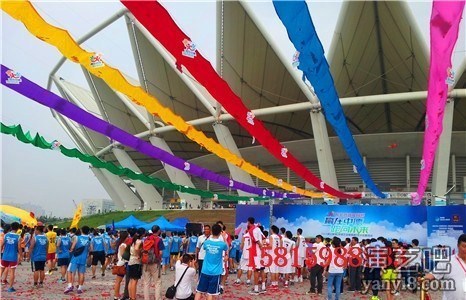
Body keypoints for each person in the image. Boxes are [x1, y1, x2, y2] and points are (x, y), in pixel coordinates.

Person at [422, 233, 466, 300]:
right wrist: (422, 279)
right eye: (464, 246)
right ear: (458, 245)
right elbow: (433, 275)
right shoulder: (447, 261)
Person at [194, 224, 228, 300]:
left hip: (205, 270)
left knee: (199, 291)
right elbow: (227, 248)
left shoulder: (206, 243)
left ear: (211, 231)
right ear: (220, 233)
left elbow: (205, 248)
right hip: (215, 272)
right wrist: (224, 237)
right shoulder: (222, 244)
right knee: (210, 293)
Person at [64, 225, 91, 295]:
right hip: (83, 258)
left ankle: (70, 286)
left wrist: (71, 250)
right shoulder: (89, 239)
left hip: (76, 257)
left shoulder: (77, 237)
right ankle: (80, 288)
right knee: (81, 273)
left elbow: (72, 247)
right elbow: (91, 249)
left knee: (69, 271)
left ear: (81, 230)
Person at [142, 225, 164, 300]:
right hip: (155, 263)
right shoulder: (159, 240)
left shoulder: (146, 239)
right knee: (157, 282)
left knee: (146, 282)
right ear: (158, 231)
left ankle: (146, 298)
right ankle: (158, 298)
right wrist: (159, 258)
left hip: (146, 262)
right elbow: (160, 252)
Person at [246, 217, 266, 295]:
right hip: (261, 253)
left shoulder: (251, 230)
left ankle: (256, 289)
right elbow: (263, 237)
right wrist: (262, 249)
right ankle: (263, 287)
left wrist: (260, 246)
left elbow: (256, 240)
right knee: (262, 269)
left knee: (256, 270)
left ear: (248, 222)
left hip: (255, 253)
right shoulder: (258, 229)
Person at [0, 221, 21, 292]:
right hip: (13, 257)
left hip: (5, 256)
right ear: (18, 229)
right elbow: (19, 248)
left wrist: (1, 252)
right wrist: (20, 255)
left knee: (1, 270)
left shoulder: (6, 235)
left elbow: (2, 245)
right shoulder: (18, 237)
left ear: (11, 227)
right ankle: (10, 287)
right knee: (12, 272)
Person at [29, 222, 48, 289]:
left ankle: (35, 284)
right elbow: (46, 248)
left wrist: (29, 256)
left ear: (37, 230)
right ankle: (41, 283)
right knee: (42, 270)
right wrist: (46, 256)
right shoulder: (46, 238)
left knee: (36, 270)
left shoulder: (35, 238)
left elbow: (31, 247)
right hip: (43, 256)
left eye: (35, 230)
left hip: (36, 256)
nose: (35, 231)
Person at [128, 228, 145, 300]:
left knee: (131, 280)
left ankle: (130, 296)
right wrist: (139, 255)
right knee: (135, 280)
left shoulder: (133, 240)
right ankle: (133, 297)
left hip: (131, 260)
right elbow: (137, 249)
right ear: (142, 234)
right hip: (136, 261)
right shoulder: (139, 241)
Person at [113, 231, 129, 300]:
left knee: (118, 281)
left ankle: (116, 296)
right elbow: (123, 256)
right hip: (122, 264)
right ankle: (116, 296)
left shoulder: (121, 244)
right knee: (118, 281)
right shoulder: (123, 245)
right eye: (127, 236)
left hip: (121, 263)